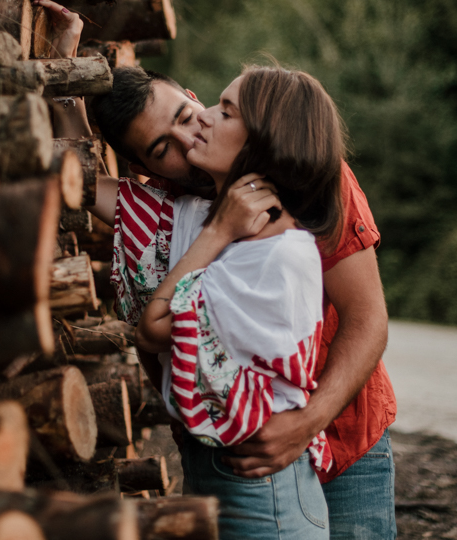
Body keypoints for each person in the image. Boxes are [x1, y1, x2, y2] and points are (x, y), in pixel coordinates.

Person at [37, 0, 396, 539]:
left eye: (187, 117)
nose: (188, 141)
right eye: (163, 149)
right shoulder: (163, 215)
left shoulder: (310, 172)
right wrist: (64, 76)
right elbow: (78, 179)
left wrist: (306, 423)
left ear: (198, 101)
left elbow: (368, 318)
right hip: (227, 448)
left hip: (341, 426)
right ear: (146, 169)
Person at [132, 65, 348, 537]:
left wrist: (217, 232)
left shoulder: (273, 254)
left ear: (265, 143)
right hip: (231, 475)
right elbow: (95, 189)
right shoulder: (221, 222)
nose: (203, 118)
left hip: (260, 493)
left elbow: (153, 325)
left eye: (225, 111)